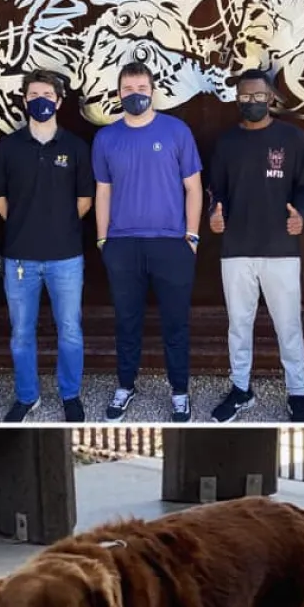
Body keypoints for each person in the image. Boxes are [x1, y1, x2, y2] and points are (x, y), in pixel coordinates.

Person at [91, 62, 204, 422]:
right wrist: (103, 240)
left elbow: (193, 187)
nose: (135, 94)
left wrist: (192, 236)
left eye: (141, 87)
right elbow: (102, 192)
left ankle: (180, 392)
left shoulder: (176, 131)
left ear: (153, 90)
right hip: (123, 244)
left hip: (172, 244)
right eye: (127, 88)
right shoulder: (106, 138)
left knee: (175, 323)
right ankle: (125, 385)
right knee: (126, 321)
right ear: (119, 93)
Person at [208, 69, 304, 423]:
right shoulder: (226, 143)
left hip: (281, 248)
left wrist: (301, 215)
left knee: (288, 325)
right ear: (236, 99)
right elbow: (216, 192)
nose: (251, 102)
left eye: (258, 96)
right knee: (239, 324)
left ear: (271, 98)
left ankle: (297, 393)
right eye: (244, 97)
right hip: (236, 248)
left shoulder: (293, 137)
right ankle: (241, 389)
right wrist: (214, 214)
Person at [0, 69, 94, 422]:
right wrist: (26, 225)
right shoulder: (9, 147)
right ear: (24, 100)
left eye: (47, 95)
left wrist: (56, 226)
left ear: (60, 101)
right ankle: (27, 396)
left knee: (70, 330)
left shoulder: (76, 148)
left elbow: (84, 200)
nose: (41, 101)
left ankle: (70, 395)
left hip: (66, 257)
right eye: (34, 95)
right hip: (20, 257)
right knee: (21, 333)